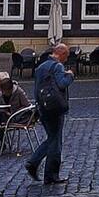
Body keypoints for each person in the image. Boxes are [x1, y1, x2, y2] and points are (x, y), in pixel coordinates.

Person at [25, 43, 73, 184]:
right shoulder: (58, 67)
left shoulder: (41, 67)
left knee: (52, 138)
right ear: (62, 53)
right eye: (66, 56)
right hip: (55, 107)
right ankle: (47, 172)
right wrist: (70, 76)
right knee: (55, 140)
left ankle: (37, 166)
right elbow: (62, 84)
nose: (66, 59)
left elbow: (37, 88)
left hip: (43, 106)